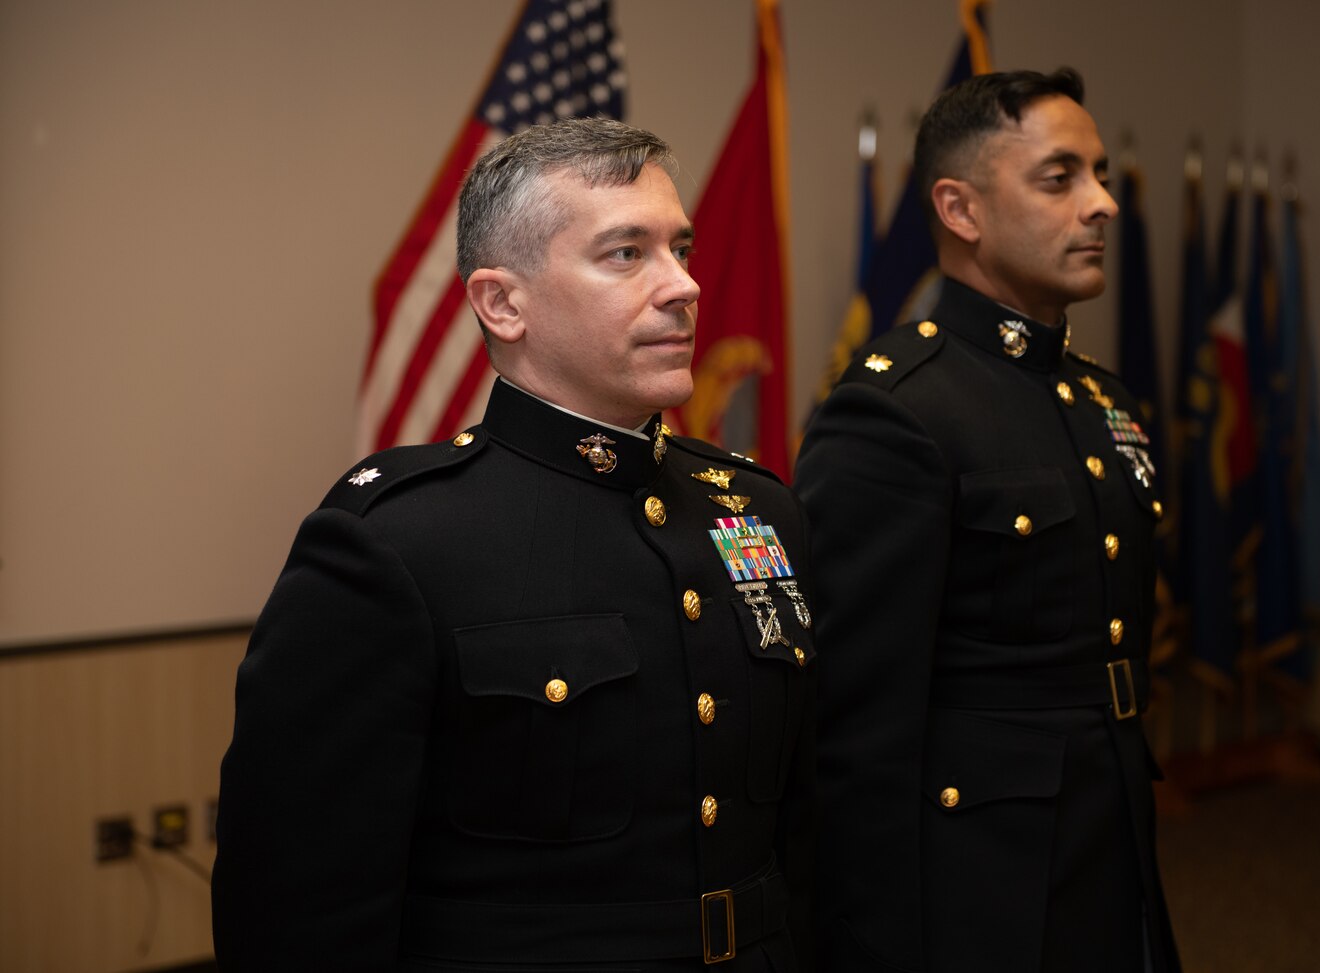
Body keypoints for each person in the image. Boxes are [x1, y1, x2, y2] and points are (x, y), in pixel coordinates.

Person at [213, 117, 815, 972]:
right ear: (502, 302)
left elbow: (808, 835)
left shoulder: (755, 510)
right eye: (625, 254)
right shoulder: (399, 543)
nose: (682, 285)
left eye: (680, 248)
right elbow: (298, 906)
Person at [794, 68, 1181, 972]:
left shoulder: (1097, 399)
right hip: (980, 886)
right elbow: (854, 735)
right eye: (1061, 178)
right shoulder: (897, 411)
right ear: (959, 209)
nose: (1103, 205)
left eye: (1101, 173)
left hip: (1109, 837)